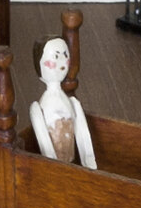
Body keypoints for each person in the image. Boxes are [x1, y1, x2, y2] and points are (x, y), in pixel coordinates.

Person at [29, 36, 97, 169]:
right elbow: (45, 144)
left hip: (72, 164)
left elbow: (82, 134)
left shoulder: (72, 102)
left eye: (65, 55)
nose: (61, 62)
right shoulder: (38, 108)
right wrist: (55, 169)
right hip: (55, 169)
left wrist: (89, 164)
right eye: (56, 56)